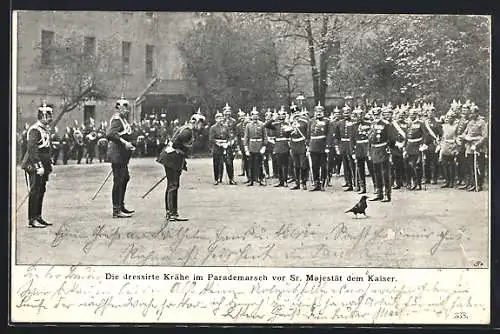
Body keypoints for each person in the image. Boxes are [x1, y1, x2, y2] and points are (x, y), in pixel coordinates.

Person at [21, 102, 54, 228]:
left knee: (41, 190)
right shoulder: (34, 130)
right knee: (34, 191)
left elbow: (46, 148)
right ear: (43, 116)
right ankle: (31, 219)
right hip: (34, 164)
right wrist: (38, 165)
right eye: (49, 116)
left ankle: (38, 216)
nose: (50, 119)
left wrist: (49, 163)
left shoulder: (45, 129)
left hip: (43, 164)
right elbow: (32, 149)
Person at [157, 116, 195, 221]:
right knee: (173, 185)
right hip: (172, 158)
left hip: (170, 158)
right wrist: (179, 151)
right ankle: (172, 213)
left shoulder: (184, 128)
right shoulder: (187, 131)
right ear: (196, 123)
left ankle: (169, 212)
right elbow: (176, 143)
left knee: (171, 185)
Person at [106, 96, 136, 218]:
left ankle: (120, 205)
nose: (126, 110)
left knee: (125, 178)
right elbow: (110, 134)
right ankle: (116, 209)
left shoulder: (123, 120)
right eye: (124, 108)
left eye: (127, 108)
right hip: (117, 155)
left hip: (123, 156)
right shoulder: (117, 120)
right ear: (118, 108)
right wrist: (124, 143)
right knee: (118, 181)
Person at [368, 106, 395, 202]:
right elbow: (370, 139)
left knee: (385, 173)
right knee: (376, 173)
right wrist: (369, 151)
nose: (376, 116)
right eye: (374, 114)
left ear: (381, 114)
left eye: (378, 114)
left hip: (383, 149)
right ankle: (379, 193)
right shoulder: (372, 124)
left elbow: (392, 139)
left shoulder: (386, 124)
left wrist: (389, 149)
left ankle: (387, 194)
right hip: (374, 150)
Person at [460, 103, 488, 191]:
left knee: (479, 167)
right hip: (469, 147)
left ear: (476, 113)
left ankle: (479, 184)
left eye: (472, 112)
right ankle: (472, 183)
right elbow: (464, 133)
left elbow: (485, 136)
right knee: (470, 165)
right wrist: (465, 137)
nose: (470, 114)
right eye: (470, 113)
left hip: (478, 148)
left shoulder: (482, 122)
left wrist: (477, 145)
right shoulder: (470, 122)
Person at [307, 102, 333, 191]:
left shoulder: (327, 121)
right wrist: (308, 145)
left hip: (322, 146)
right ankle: (316, 183)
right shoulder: (311, 121)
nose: (318, 113)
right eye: (317, 111)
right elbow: (308, 134)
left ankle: (322, 183)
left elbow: (329, 134)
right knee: (314, 166)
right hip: (313, 146)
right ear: (314, 112)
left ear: (323, 112)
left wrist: (327, 146)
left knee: (323, 166)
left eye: (320, 111)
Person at [243, 107, 267, 186]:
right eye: (253, 115)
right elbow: (246, 137)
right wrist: (246, 148)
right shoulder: (248, 125)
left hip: (259, 145)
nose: (255, 117)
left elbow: (265, 137)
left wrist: (264, 146)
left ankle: (261, 179)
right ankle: (251, 180)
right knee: (251, 164)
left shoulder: (262, 124)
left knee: (260, 164)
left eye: (256, 115)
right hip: (251, 145)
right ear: (251, 116)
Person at [209, 112, 230, 185]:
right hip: (217, 147)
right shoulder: (213, 128)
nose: (220, 119)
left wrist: (227, 143)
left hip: (225, 147)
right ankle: (216, 179)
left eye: (221, 118)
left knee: (228, 163)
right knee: (216, 163)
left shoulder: (226, 127)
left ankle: (231, 179)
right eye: (218, 118)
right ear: (216, 119)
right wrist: (218, 144)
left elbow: (229, 137)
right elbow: (211, 139)